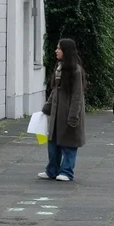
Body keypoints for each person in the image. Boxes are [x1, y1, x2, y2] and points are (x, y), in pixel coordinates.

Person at [38, 38, 86, 181]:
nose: (56, 50)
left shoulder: (75, 71)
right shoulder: (59, 68)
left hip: (69, 112)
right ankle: (52, 169)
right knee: (53, 142)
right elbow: (55, 90)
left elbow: (77, 95)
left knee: (69, 143)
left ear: (66, 51)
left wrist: (73, 116)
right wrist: (47, 108)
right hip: (57, 113)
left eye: (59, 48)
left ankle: (66, 171)